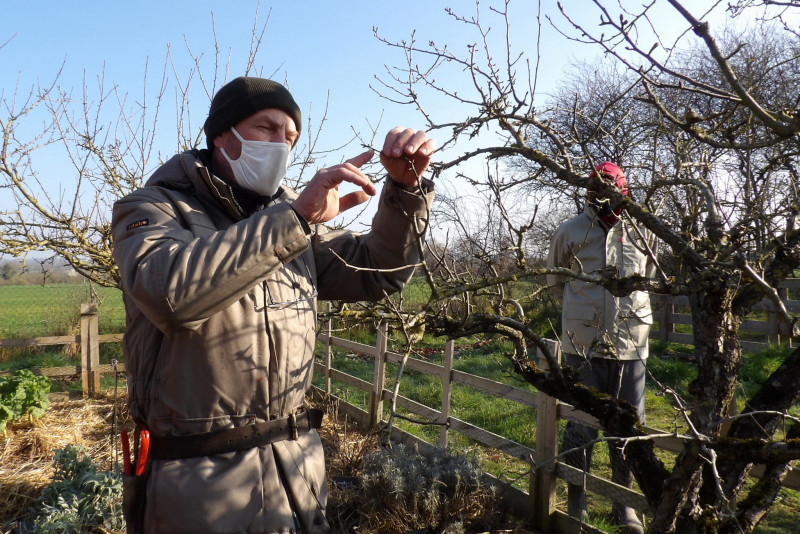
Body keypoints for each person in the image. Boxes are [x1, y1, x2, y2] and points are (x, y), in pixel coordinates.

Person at [111, 76, 435, 534]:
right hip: (197, 487)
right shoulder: (153, 208)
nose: (281, 145)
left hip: (296, 473)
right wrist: (296, 217)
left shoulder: (288, 221)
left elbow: (377, 272)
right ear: (222, 134)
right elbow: (170, 293)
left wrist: (404, 192)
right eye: (267, 128)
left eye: (290, 137)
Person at [546, 161, 655, 534]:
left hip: (632, 345)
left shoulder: (643, 230)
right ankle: (577, 497)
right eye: (598, 188)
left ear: (623, 190)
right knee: (581, 425)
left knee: (626, 429)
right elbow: (554, 276)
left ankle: (623, 505)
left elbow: (650, 277)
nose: (604, 196)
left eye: (612, 188)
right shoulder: (570, 230)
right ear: (589, 191)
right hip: (583, 345)